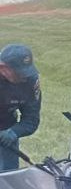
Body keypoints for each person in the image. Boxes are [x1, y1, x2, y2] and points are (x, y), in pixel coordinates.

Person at [0, 44, 40, 172]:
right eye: (19, 72)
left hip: (6, 129)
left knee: (9, 178)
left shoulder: (30, 81)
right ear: (3, 68)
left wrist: (13, 132)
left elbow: (31, 120)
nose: (25, 76)